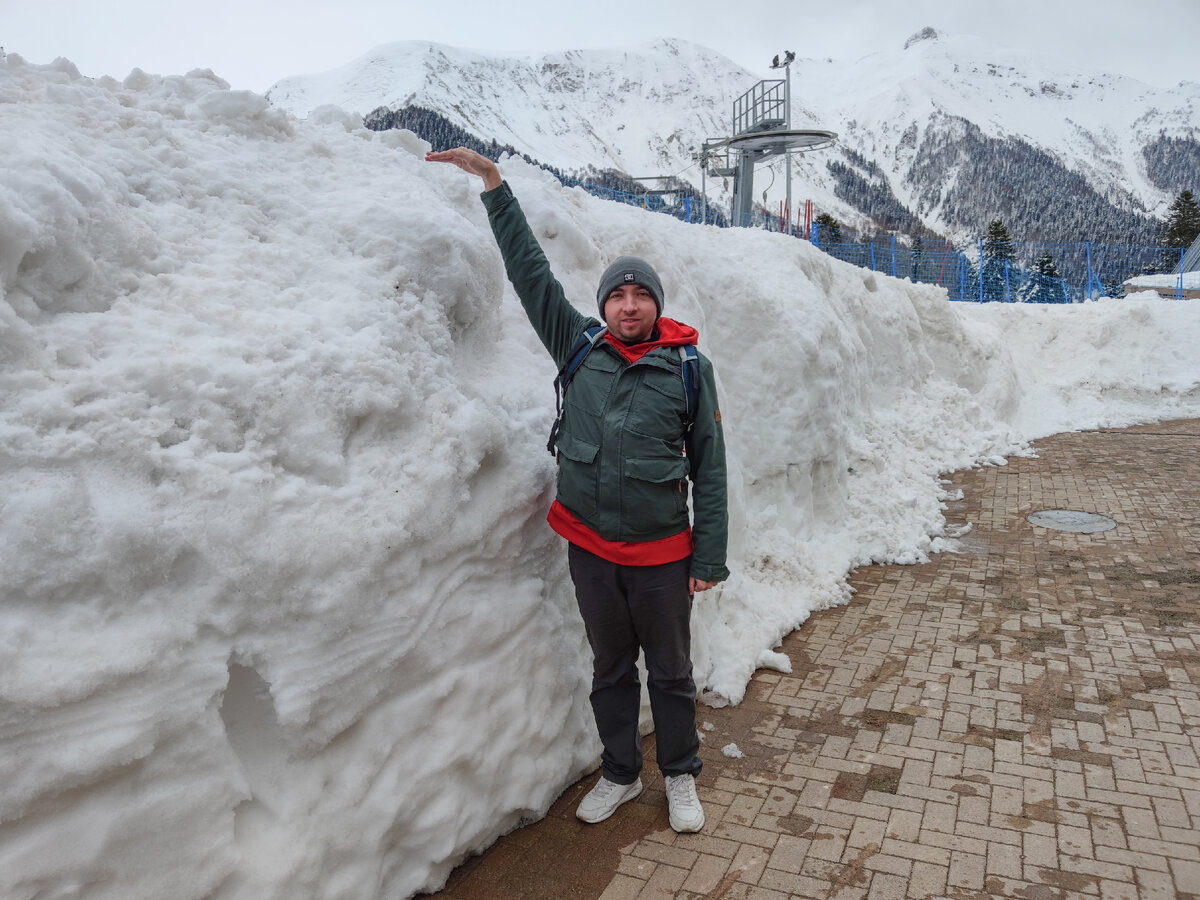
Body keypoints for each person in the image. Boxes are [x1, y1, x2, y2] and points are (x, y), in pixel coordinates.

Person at [426, 148, 729, 834]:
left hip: (661, 556)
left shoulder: (687, 369)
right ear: (604, 304)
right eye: (618, 294)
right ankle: (620, 772)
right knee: (611, 668)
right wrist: (495, 189)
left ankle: (680, 775)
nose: (629, 304)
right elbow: (531, 276)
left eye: (640, 294)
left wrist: (708, 558)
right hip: (592, 550)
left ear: (655, 305)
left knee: (673, 675)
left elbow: (710, 465)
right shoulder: (580, 348)